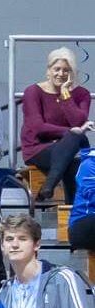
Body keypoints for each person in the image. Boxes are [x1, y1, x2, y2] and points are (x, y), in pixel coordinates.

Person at [22, 47, 93, 204]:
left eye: (66, 70)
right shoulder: (33, 91)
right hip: (38, 148)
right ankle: (74, 210)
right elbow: (37, 127)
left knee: (74, 158)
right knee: (76, 140)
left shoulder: (82, 94)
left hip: (70, 150)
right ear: (48, 70)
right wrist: (70, 133)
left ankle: (49, 187)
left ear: (72, 73)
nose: (61, 74)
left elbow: (78, 121)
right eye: (57, 69)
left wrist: (65, 94)